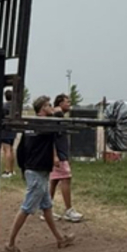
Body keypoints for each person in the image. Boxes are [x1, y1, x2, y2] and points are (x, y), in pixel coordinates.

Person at [4, 96, 75, 252]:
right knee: (27, 208)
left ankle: (60, 238)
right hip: (37, 172)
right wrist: (58, 111)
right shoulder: (45, 124)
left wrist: (23, 168)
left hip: (35, 171)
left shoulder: (32, 125)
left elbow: (21, 149)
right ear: (43, 108)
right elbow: (58, 120)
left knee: (47, 207)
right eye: (49, 105)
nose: (52, 107)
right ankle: (10, 244)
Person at [50, 93, 83, 222]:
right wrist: (55, 156)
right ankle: (68, 210)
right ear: (60, 103)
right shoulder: (57, 115)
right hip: (59, 155)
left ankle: (47, 209)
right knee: (66, 179)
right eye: (67, 102)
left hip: (61, 154)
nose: (69, 104)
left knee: (54, 181)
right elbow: (52, 137)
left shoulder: (59, 116)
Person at [0, 89, 16, 178]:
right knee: (11, 149)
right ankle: (12, 170)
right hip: (13, 130)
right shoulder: (15, 107)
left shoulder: (4, 106)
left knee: (6, 150)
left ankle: (7, 171)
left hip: (5, 130)